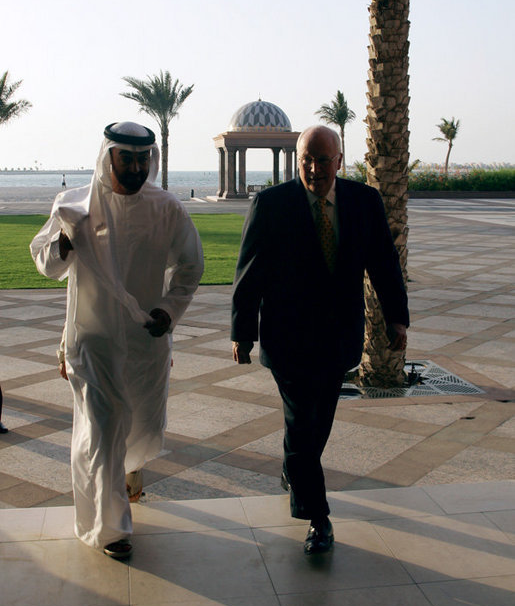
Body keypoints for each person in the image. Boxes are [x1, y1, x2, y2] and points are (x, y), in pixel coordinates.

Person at [231, 125, 409, 554]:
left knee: (317, 423)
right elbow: (248, 274)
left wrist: (397, 320)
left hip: (338, 340)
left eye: (323, 160)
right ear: (298, 161)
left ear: (340, 161)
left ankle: (296, 471)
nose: (314, 169)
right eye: (306, 160)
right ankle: (318, 517)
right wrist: (242, 333)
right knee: (301, 425)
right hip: (287, 339)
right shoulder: (272, 204)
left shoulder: (363, 203)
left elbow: (385, 264)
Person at [30, 121, 204, 558]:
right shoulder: (74, 205)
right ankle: (111, 530)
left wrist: (168, 309)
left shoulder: (167, 208)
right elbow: (46, 264)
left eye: (142, 159)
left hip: (146, 342)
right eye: (126, 157)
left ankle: (127, 478)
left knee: (140, 430)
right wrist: (65, 245)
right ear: (107, 156)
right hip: (93, 342)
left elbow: (191, 266)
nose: (134, 167)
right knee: (102, 432)